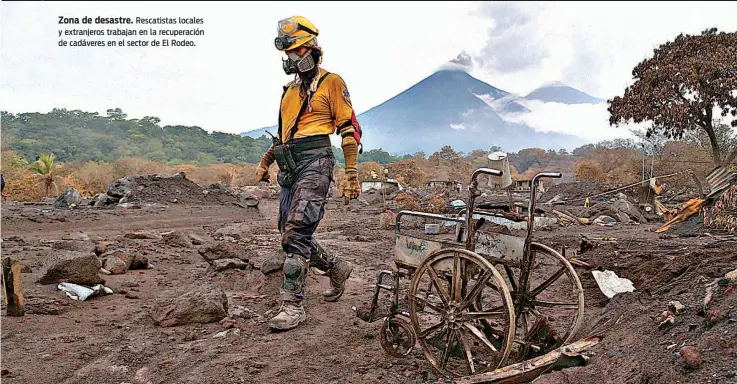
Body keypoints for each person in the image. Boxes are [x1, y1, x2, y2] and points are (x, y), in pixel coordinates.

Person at [255, 16, 363, 331]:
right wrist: (265, 161)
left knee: (298, 230)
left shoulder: (332, 82)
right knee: (289, 232)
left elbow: (348, 129)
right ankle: (336, 267)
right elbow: (284, 135)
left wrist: (352, 173)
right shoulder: (288, 92)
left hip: (317, 161)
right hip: (291, 163)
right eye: (287, 53)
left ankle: (292, 305)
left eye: (295, 50)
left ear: (313, 49)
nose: (290, 58)